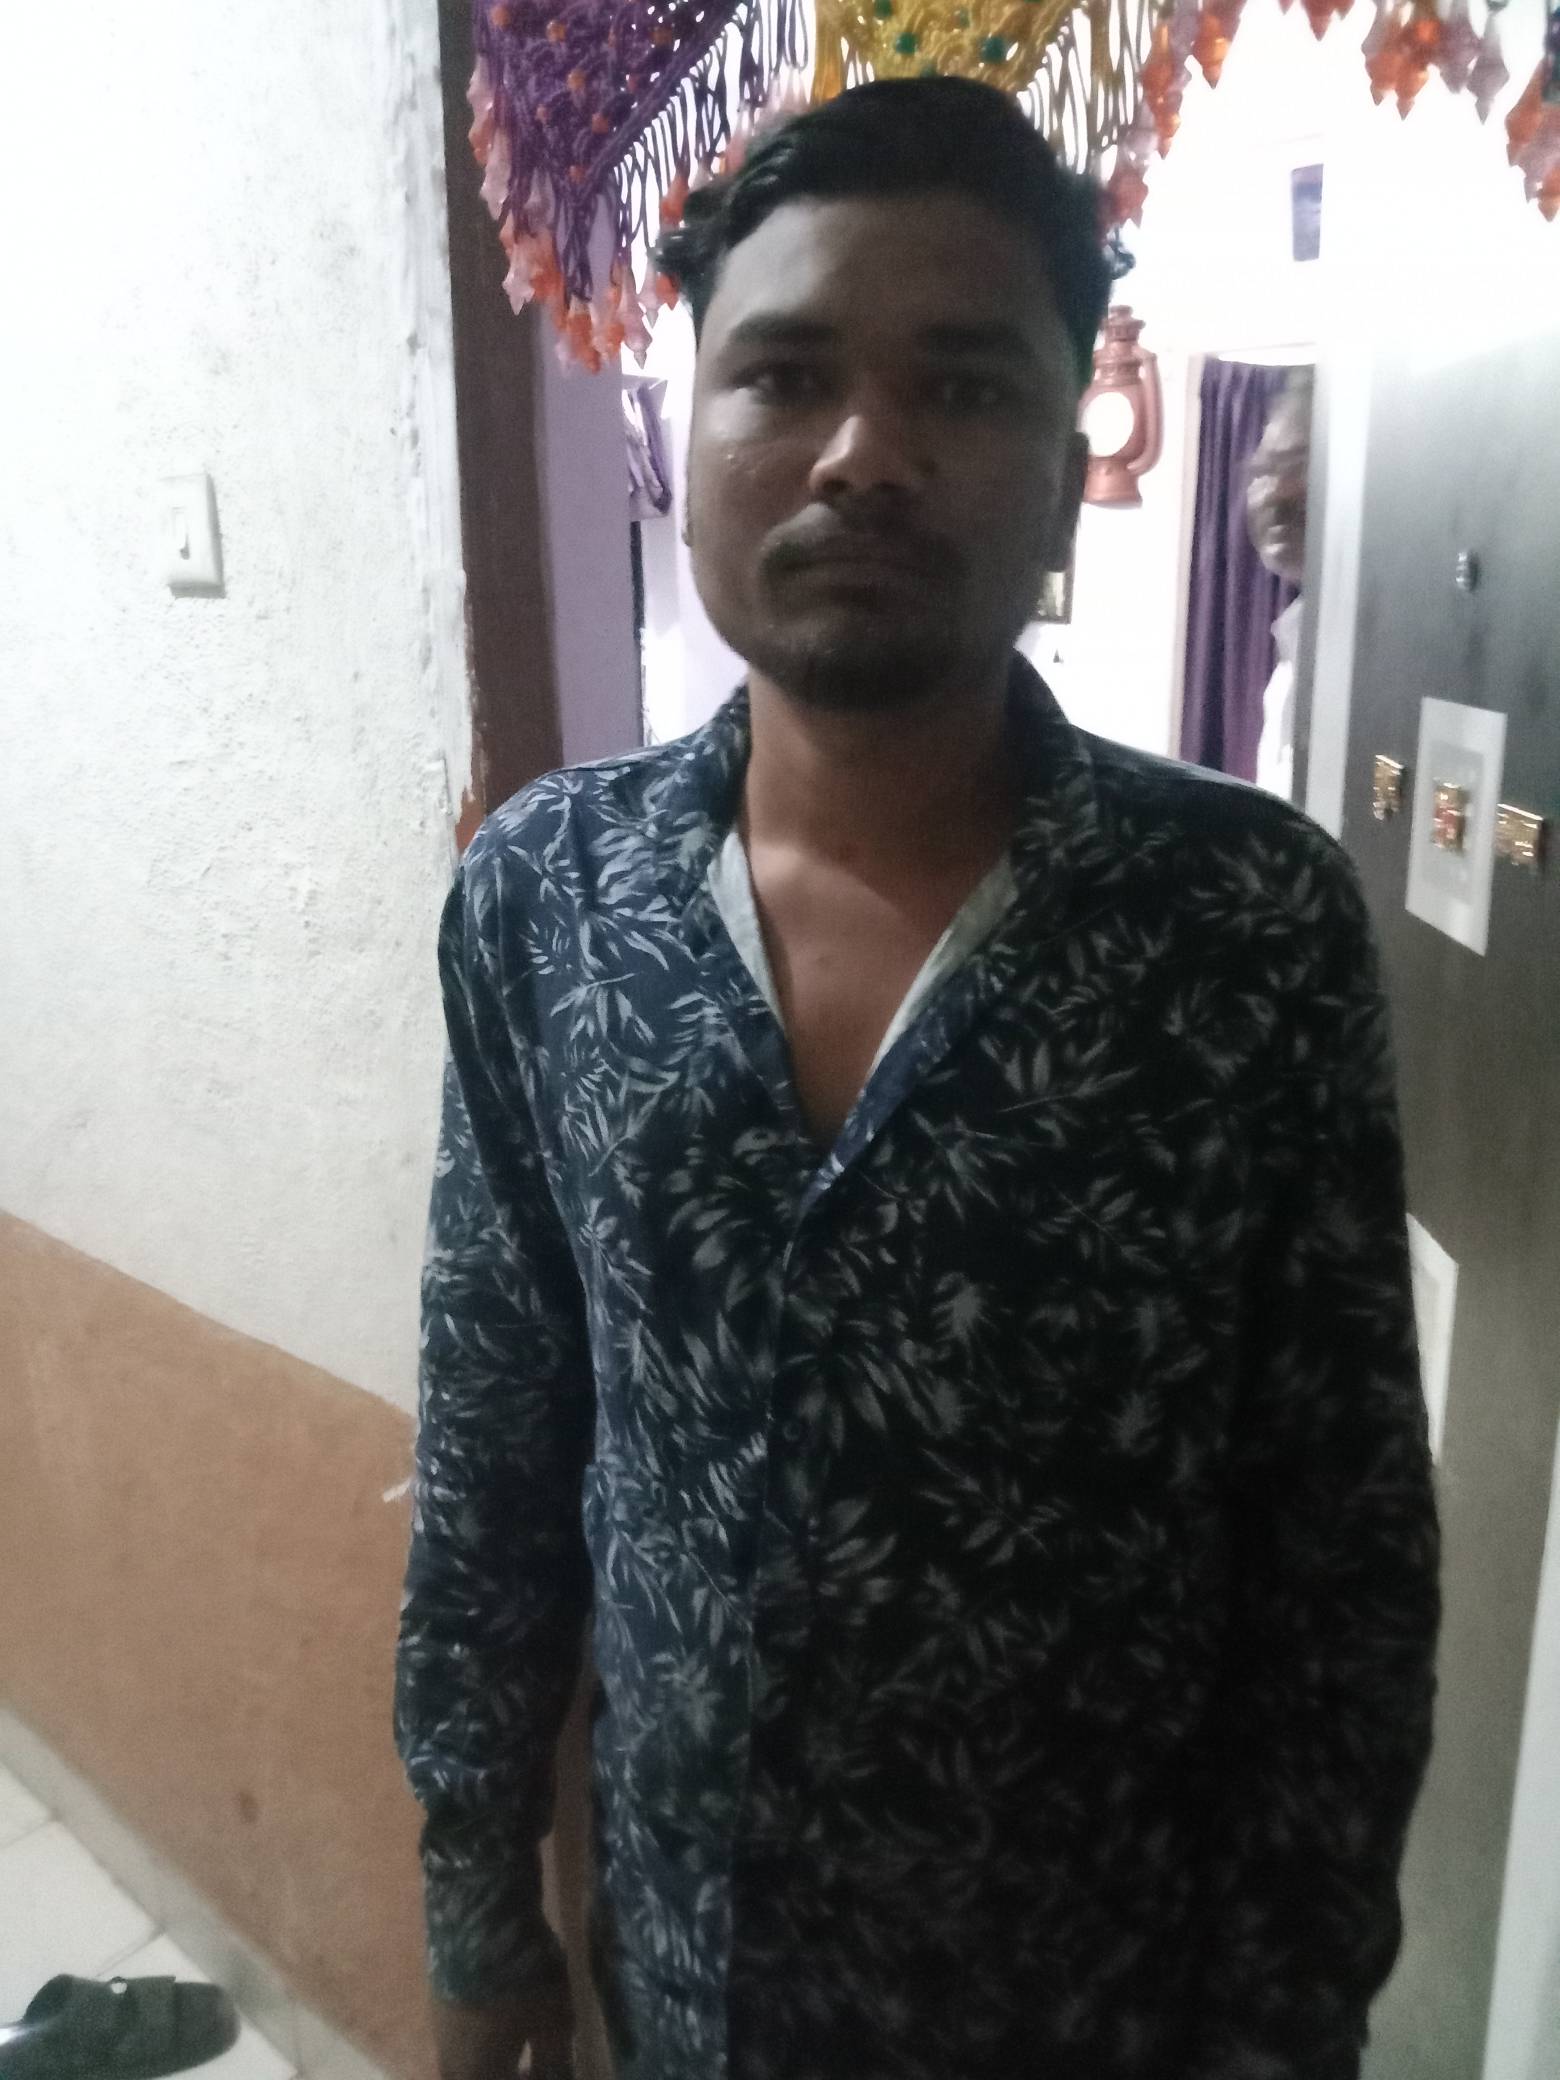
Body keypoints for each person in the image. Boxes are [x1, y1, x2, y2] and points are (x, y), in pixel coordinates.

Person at [396, 77, 1440, 2080]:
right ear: (690, 427)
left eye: (963, 388)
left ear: (1064, 467)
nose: (864, 452)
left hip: (1100, 2002)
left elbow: (1342, 1552)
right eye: (783, 376)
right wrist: (476, 1895)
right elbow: (499, 1439)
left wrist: (1292, 2011)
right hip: (684, 1982)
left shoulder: (1242, 928)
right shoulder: (548, 901)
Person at [1246, 367, 1314, 802]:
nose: (1274, 492)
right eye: (1262, 471)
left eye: (1296, 466)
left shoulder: (1381, 659)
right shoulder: (1293, 653)